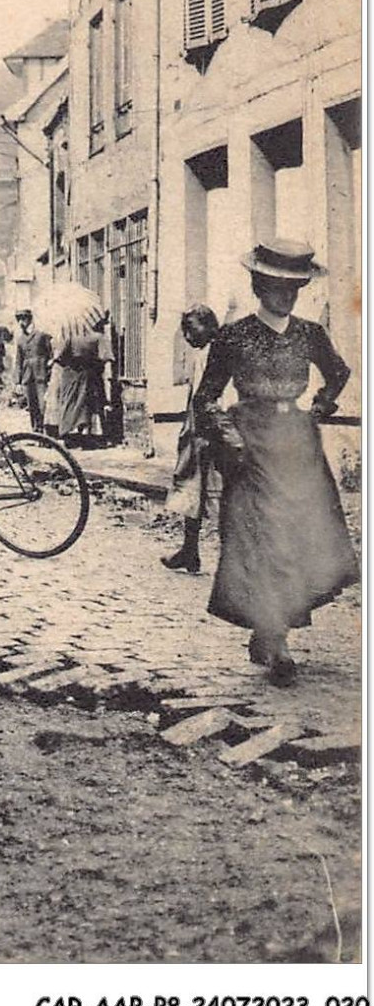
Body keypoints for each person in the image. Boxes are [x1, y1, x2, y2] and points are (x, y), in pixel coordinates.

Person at [192, 239, 356, 686]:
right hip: (251, 446)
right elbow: (205, 400)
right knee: (261, 541)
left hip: (297, 447)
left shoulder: (309, 335)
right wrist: (230, 440)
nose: (287, 296)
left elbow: (339, 373)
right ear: (258, 284)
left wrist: (319, 408)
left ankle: (272, 630)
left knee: (297, 539)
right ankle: (275, 636)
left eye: (295, 288)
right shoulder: (233, 336)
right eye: (278, 286)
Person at [161, 305, 221, 575]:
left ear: (209, 326)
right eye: (185, 331)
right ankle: (190, 551)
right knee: (190, 491)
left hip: (215, 433)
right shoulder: (200, 354)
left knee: (222, 496)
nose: (187, 336)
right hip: (197, 431)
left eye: (192, 329)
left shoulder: (221, 354)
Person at [53, 316, 110, 448]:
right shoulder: (98, 337)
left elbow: (59, 358)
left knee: (70, 403)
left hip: (71, 375)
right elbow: (104, 358)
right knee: (87, 405)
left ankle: (69, 433)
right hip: (90, 374)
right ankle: (86, 434)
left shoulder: (71, 338)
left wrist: (70, 363)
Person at [14, 309, 53, 432]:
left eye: (23, 319)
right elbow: (18, 361)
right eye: (19, 319)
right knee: (32, 405)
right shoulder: (20, 339)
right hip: (27, 376)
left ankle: (45, 432)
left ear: (29, 319)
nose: (21, 322)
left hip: (41, 375)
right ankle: (35, 431)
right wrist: (17, 381)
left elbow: (51, 354)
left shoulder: (41, 335)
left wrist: (48, 367)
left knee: (42, 405)